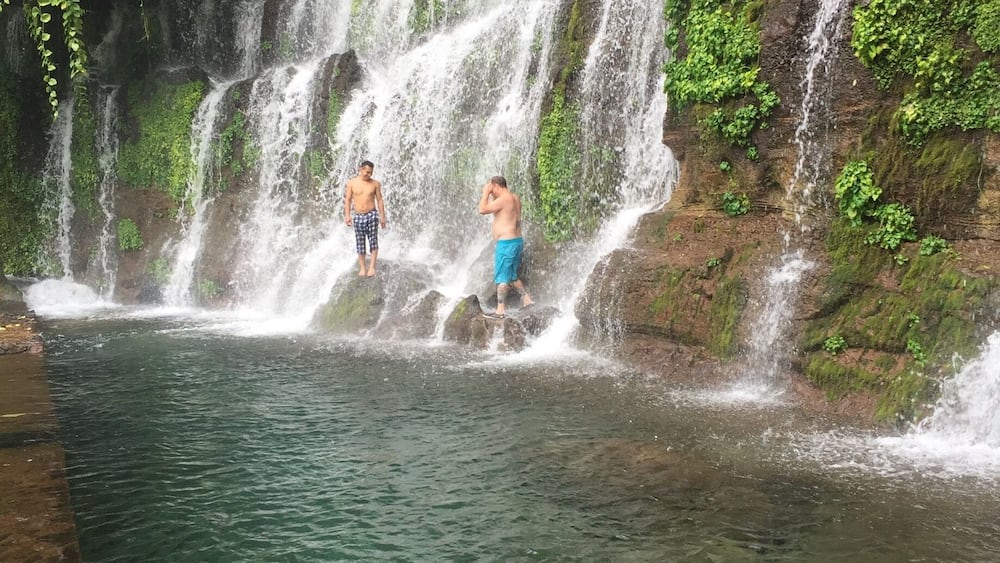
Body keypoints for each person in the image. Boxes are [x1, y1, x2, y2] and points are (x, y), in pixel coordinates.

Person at [477, 175, 534, 318]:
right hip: (517, 241)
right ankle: (527, 300)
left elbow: (482, 209)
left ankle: (500, 310)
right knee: (512, 276)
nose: (491, 194)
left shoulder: (503, 199)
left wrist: (485, 192)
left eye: (492, 190)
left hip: (506, 244)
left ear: (496, 186)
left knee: (502, 278)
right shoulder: (514, 198)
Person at [344, 160, 387, 277]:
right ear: (361, 169)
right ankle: (363, 268)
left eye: (371, 172)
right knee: (360, 242)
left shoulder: (375, 184)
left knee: (373, 241)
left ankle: (372, 267)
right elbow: (348, 200)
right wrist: (347, 215)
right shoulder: (352, 183)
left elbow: (379, 200)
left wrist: (382, 217)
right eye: (367, 172)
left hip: (371, 214)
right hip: (358, 215)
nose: (369, 174)